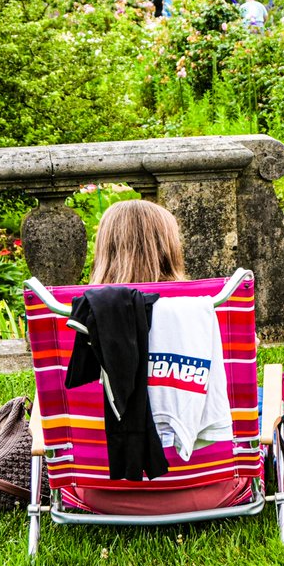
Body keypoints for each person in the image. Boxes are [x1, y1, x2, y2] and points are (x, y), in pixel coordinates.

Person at [71, 199, 250, 514]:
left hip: (99, 491)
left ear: (104, 250)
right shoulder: (209, 313)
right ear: (171, 247)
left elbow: (43, 428)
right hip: (212, 486)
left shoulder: (75, 320)